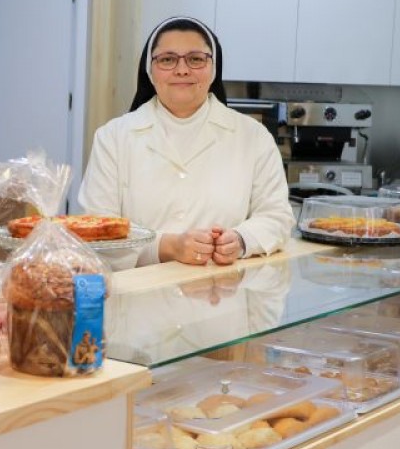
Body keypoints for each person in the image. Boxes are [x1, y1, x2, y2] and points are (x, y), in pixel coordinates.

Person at [78, 16, 294, 269]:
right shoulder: (113, 137)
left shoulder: (253, 137)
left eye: (196, 59)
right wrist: (168, 246)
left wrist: (241, 240)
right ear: (150, 70)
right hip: (142, 297)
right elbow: (97, 229)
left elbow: (276, 216)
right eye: (167, 59)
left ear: (213, 69)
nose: (182, 69)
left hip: (222, 294)